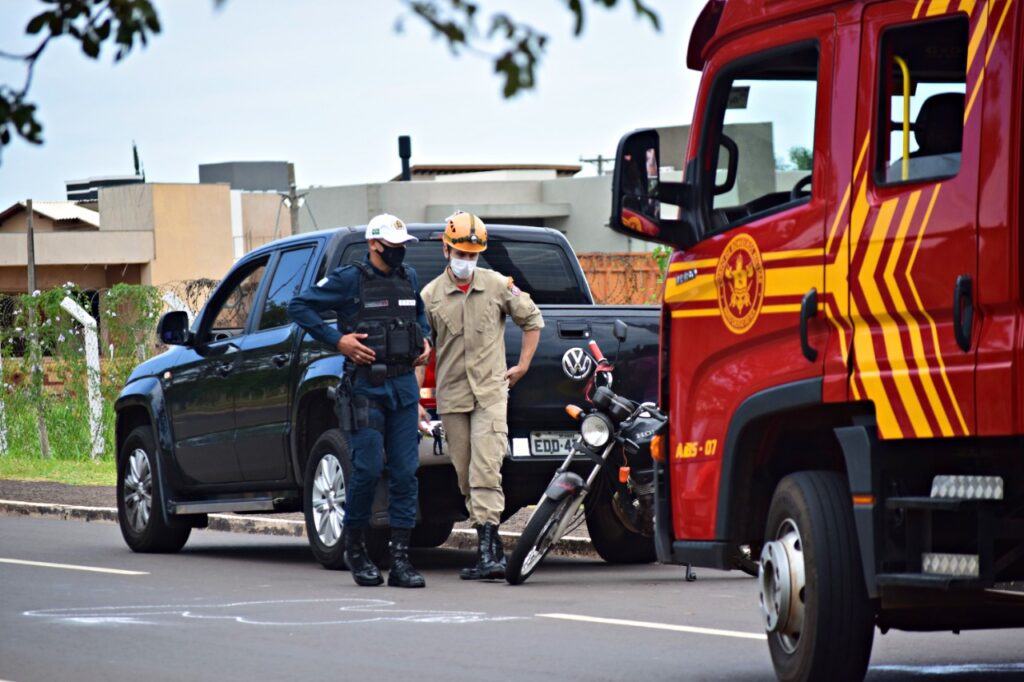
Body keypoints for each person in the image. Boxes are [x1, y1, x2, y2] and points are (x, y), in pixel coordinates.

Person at [288, 213, 432, 588]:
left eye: (402, 246)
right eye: (392, 246)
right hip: (367, 388)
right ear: (373, 244)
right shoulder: (349, 280)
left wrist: (425, 340)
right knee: (366, 469)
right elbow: (299, 306)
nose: (399, 252)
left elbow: (419, 313)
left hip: (403, 386)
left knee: (405, 472)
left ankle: (400, 561)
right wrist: (339, 341)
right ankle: (356, 550)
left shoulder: (409, 277)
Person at [421, 211, 544, 580]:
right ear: (446, 250)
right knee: (464, 474)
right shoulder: (430, 296)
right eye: (461, 254)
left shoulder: (497, 285)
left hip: (490, 393)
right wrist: (416, 402)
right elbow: (422, 353)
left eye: (473, 256)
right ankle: (485, 546)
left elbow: (533, 319)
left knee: (485, 469)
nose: (467, 261)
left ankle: (490, 551)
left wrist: (523, 365)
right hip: (453, 398)